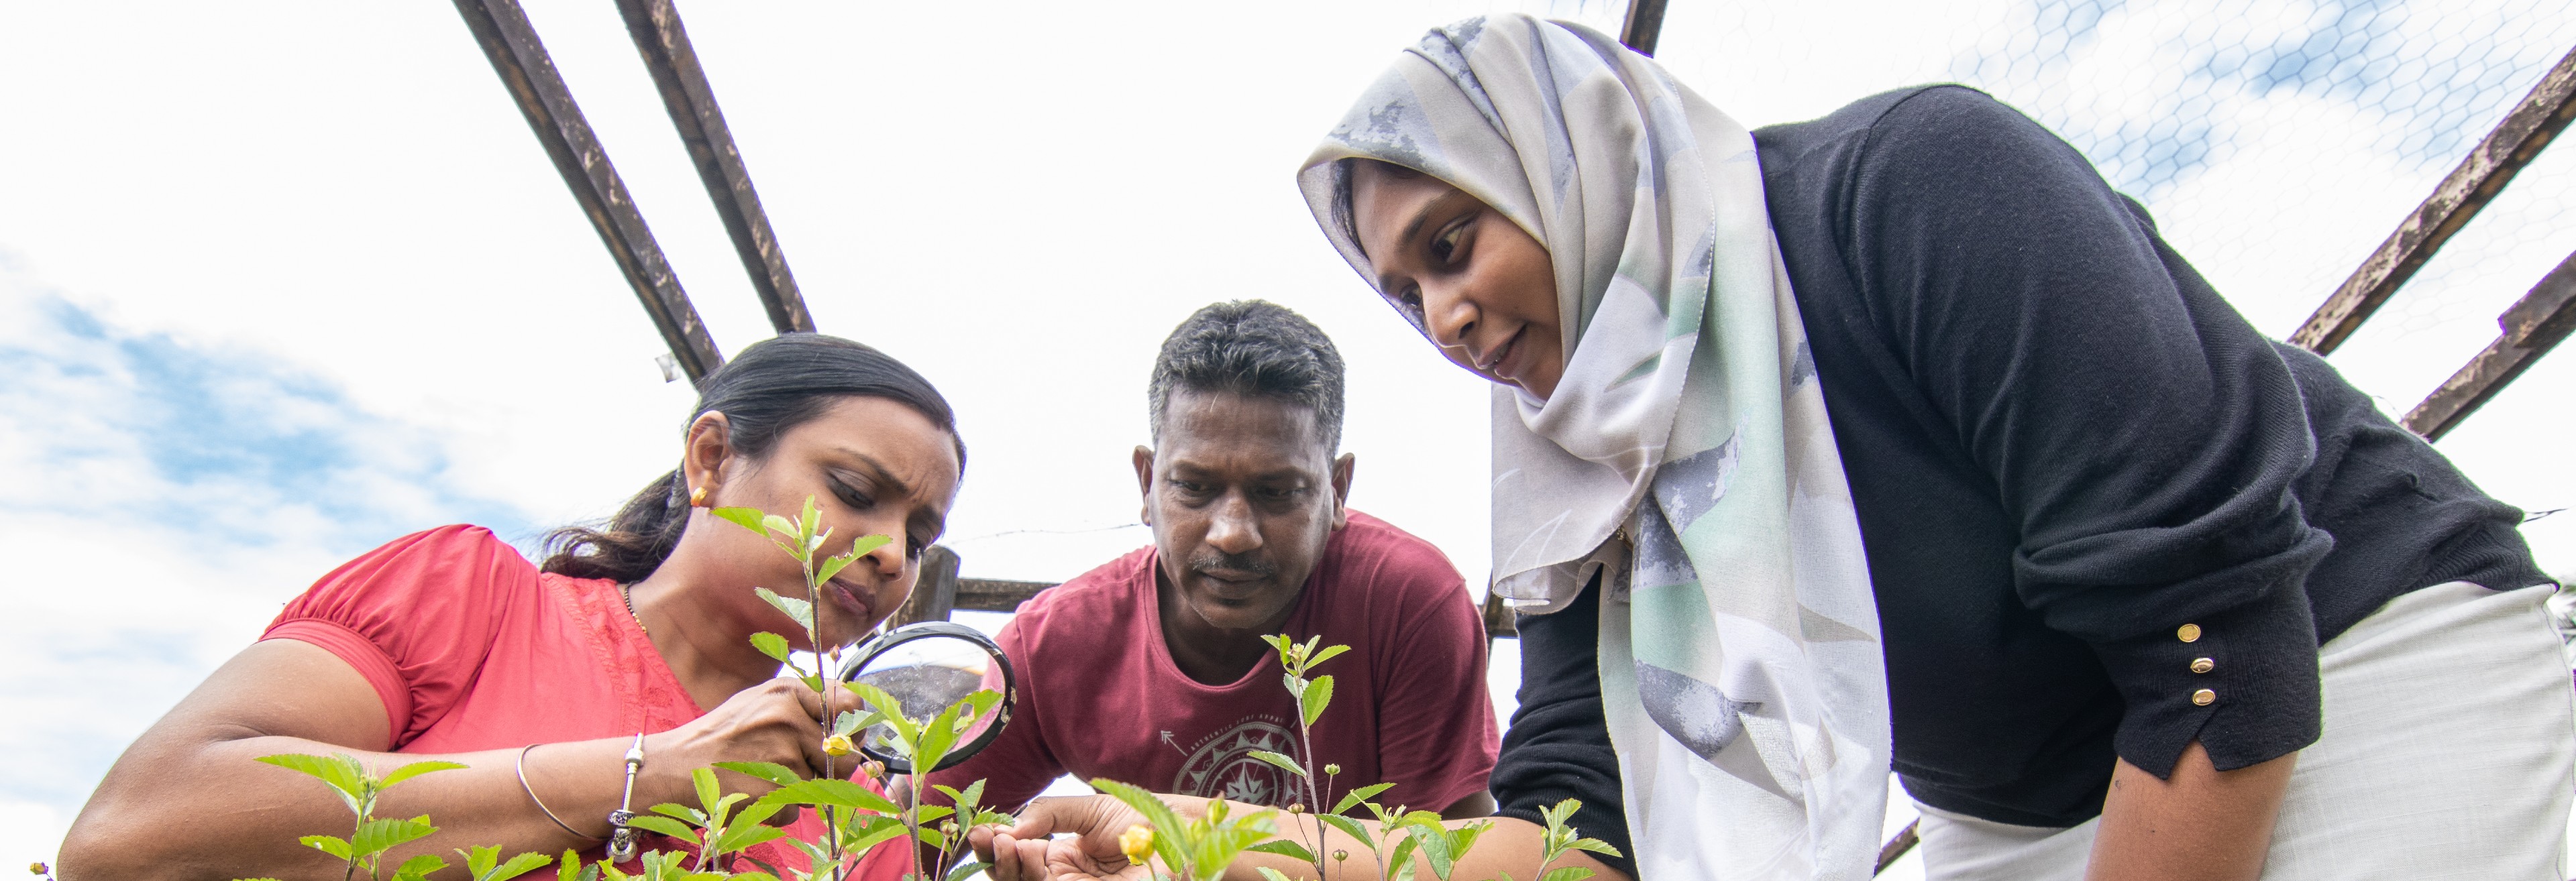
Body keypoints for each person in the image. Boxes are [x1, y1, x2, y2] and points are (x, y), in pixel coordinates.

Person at [973, 15, 2569, 881]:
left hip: (2350, 679)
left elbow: (2218, 634)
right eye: (1404, 297)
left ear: (1576, 159)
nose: (1445, 318)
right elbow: (1569, 840)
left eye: (1458, 242)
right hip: (2016, 809)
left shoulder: (1909, 193)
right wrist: (1196, 833)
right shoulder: (1586, 478)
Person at [58, 333, 966, 878]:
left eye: (918, 535)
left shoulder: (851, 811)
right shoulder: (470, 597)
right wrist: (647, 775)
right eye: (852, 489)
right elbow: (130, 835)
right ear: (711, 459)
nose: (889, 552)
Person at [924, 300, 1498, 821]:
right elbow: (904, 836)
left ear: (1338, 491)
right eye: (1194, 487)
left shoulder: (1406, 603)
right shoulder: (1052, 645)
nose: (1233, 534)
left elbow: (1453, 859)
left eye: (1278, 492)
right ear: (1147, 483)